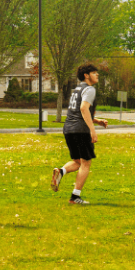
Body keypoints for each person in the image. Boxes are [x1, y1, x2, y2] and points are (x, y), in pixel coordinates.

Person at [50, 63, 108, 205]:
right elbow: (83, 109)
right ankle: (75, 197)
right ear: (86, 75)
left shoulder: (76, 90)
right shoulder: (90, 89)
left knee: (77, 161)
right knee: (86, 163)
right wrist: (92, 130)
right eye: (94, 73)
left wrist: (97, 121)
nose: (97, 75)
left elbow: (77, 111)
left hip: (68, 129)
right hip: (81, 130)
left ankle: (61, 171)